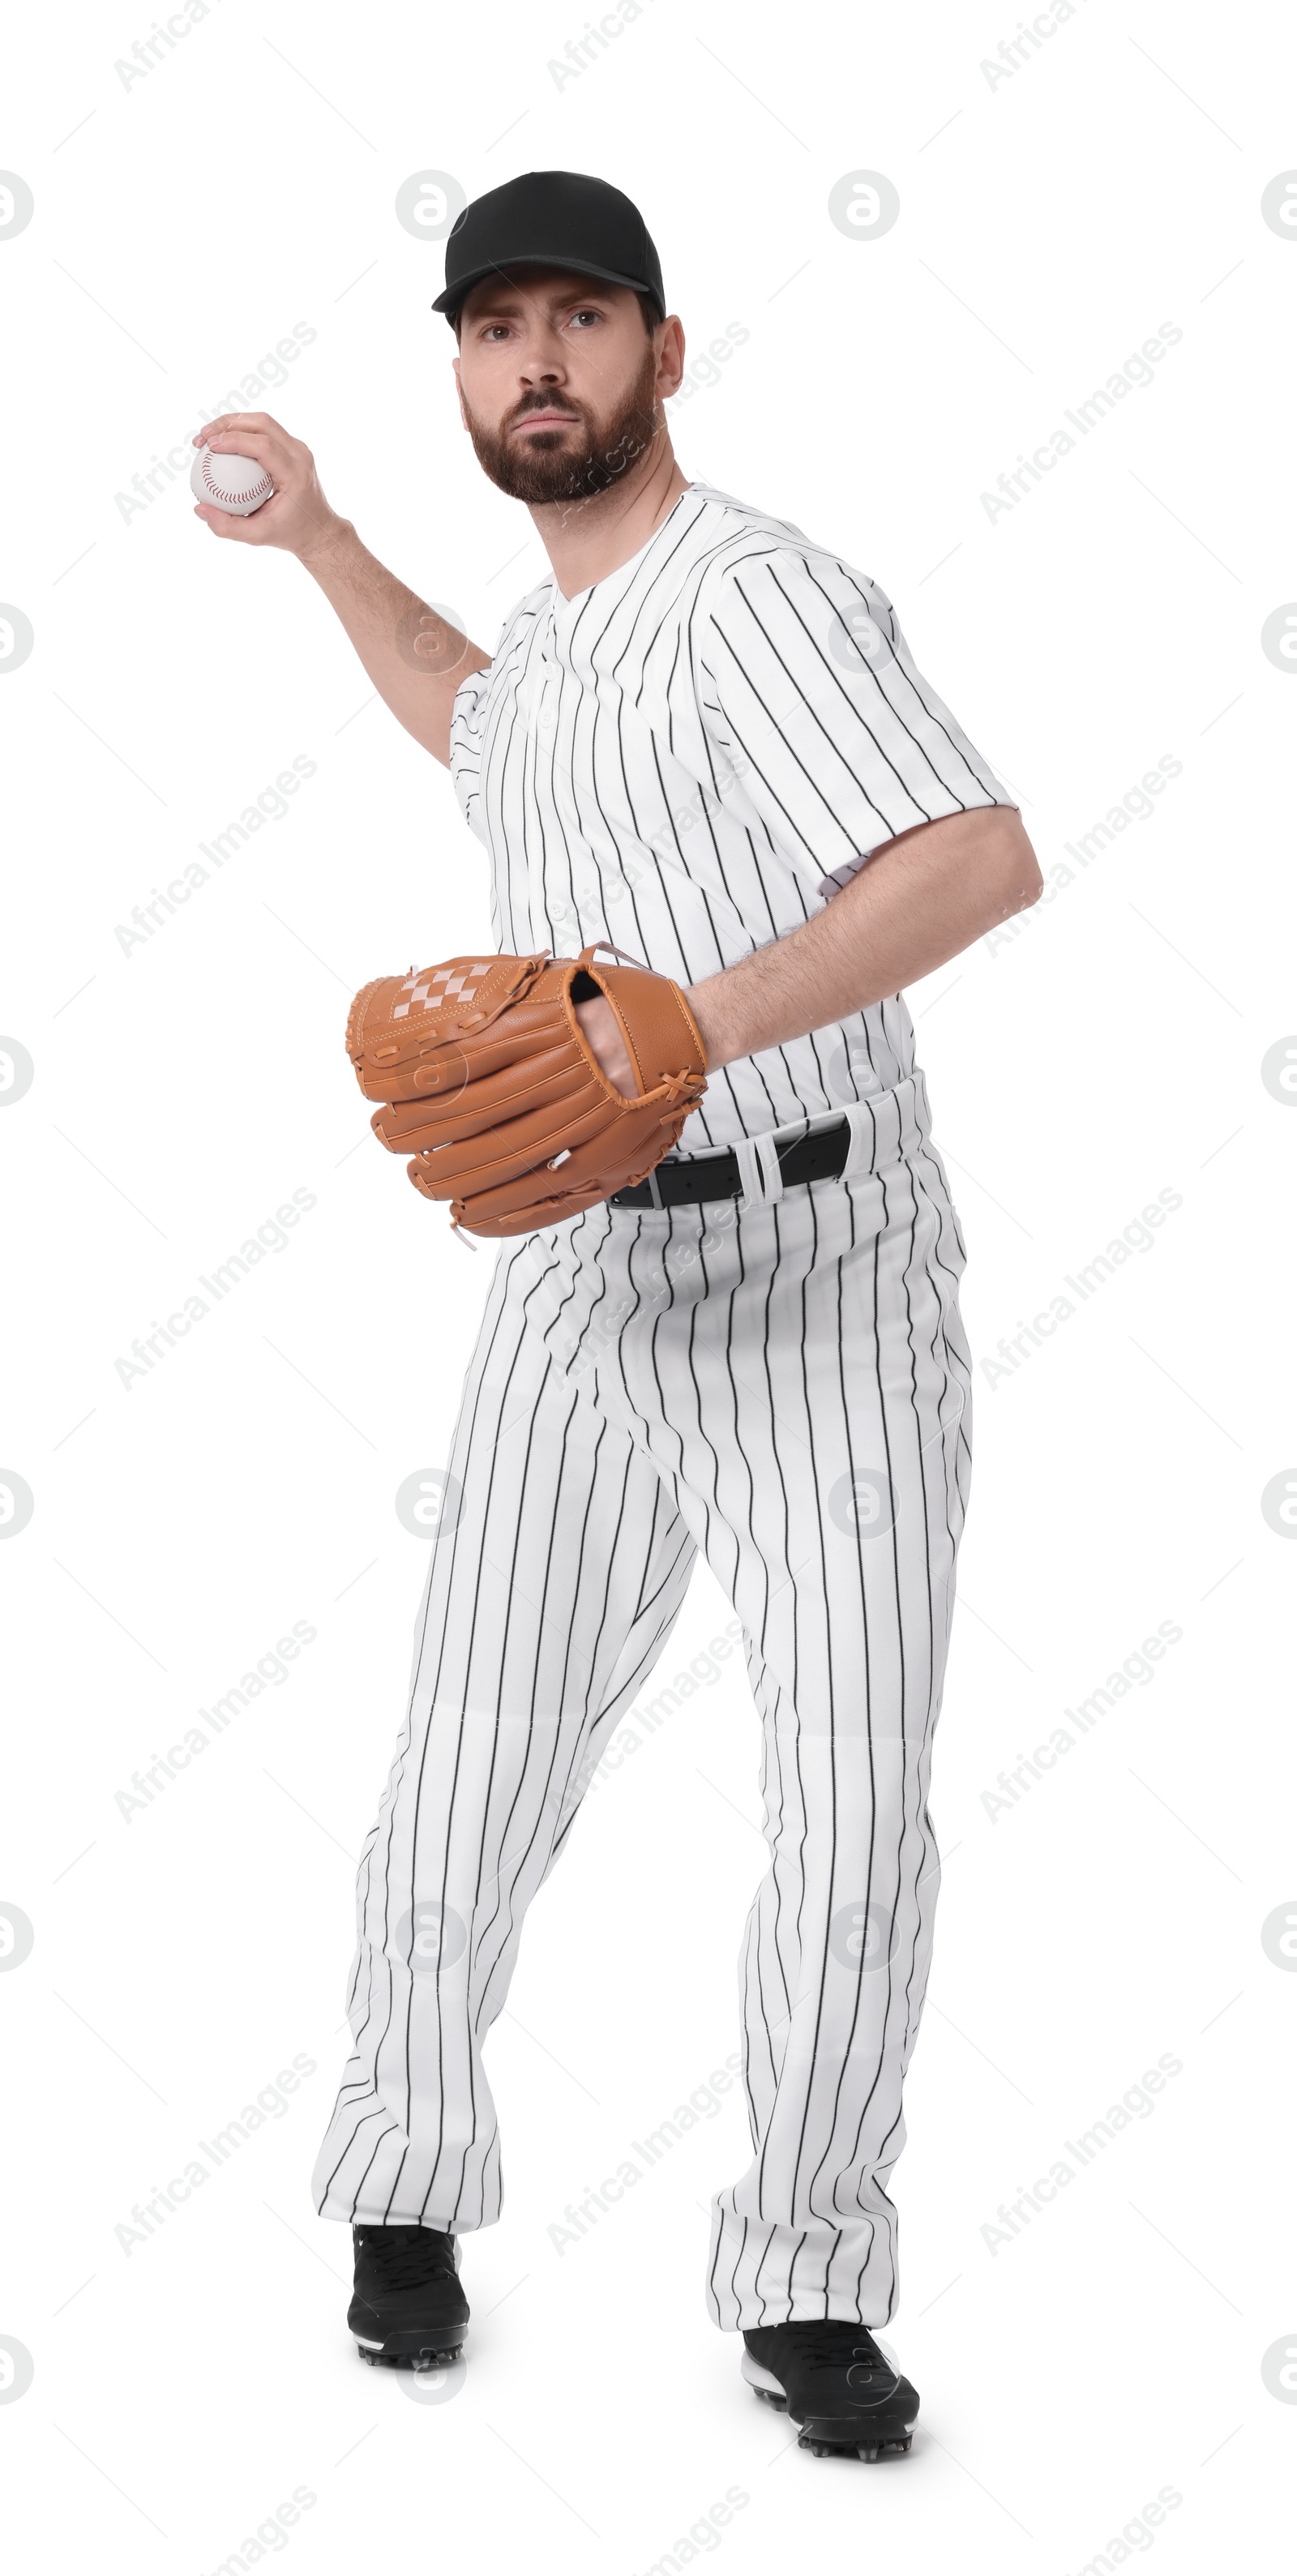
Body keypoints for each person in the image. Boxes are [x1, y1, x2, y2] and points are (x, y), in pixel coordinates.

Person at [192, 168, 1042, 2462]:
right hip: (583, 1272)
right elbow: (463, 712)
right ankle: (399, 2191)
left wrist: (698, 1019)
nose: (537, 363)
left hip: (824, 1271)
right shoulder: (556, 643)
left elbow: (974, 854)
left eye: (582, 319)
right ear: (463, 372)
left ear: (667, 352)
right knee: (461, 1781)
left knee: (851, 1812)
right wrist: (325, 546)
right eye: (495, 330)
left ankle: (804, 2279)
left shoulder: (755, 594)